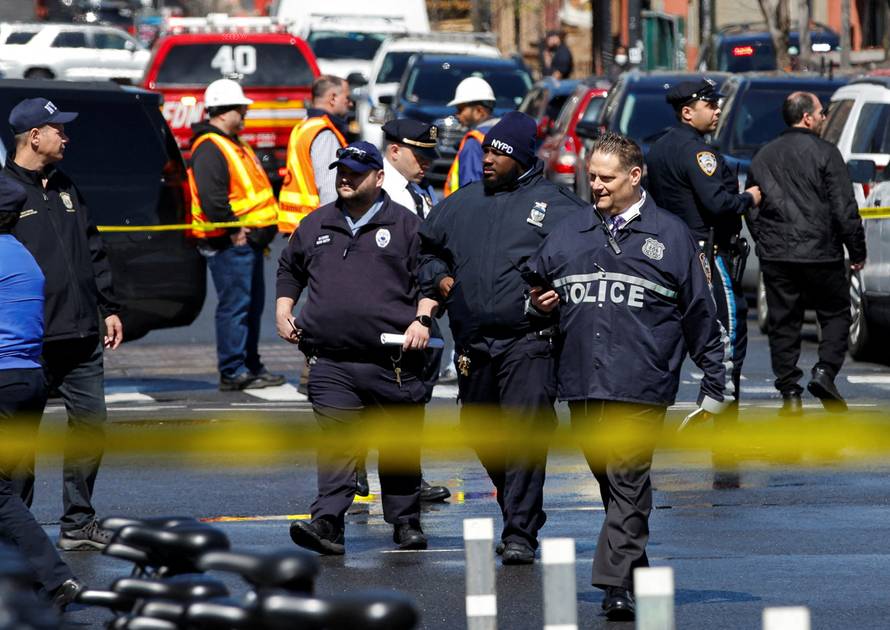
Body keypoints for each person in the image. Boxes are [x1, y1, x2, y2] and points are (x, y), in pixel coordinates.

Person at [527, 132, 730, 620]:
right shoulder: (569, 232)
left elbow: (700, 312)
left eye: (605, 178)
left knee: (628, 478)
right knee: (613, 480)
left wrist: (715, 380)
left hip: (642, 383)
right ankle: (634, 566)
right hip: (581, 383)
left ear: (635, 177)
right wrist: (538, 305)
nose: (594, 185)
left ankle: (613, 583)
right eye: (591, 176)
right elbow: (533, 292)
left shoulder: (672, 235)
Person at [418, 112, 587, 564]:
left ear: (522, 158)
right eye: (487, 150)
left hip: (529, 340)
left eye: (499, 153)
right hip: (474, 343)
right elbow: (426, 250)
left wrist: (559, 295)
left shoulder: (559, 206)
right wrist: (442, 281)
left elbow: (585, 260)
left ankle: (520, 532)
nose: (487, 159)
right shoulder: (462, 202)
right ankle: (520, 505)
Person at [276, 141, 438, 554]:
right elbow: (289, 268)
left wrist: (422, 317)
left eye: (355, 172)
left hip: (394, 361)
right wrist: (283, 309)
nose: (345, 178)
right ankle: (327, 523)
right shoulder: (316, 225)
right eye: (341, 171)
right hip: (331, 361)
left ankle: (405, 521)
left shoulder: (405, 226)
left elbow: (433, 277)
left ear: (379, 178)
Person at [2, 97, 123, 550]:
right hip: (30, 341)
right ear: (35, 136)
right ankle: (16, 531)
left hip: (81, 333)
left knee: (92, 425)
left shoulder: (67, 186)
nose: (66, 136)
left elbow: (92, 251)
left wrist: (108, 307)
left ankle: (78, 522)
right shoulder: (5, 192)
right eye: (58, 129)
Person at [645, 78, 761, 489]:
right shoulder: (698, 151)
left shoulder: (658, 147)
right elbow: (718, 204)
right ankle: (723, 441)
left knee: (667, 346)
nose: (716, 110)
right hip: (706, 256)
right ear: (687, 111)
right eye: (709, 104)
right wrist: (749, 198)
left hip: (667, 254)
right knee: (726, 339)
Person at [747, 92, 866, 414]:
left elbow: (752, 205)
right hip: (821, 252)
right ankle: (825, 372)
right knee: (836, 314)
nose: (825, 117)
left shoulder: (764, 155)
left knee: (783, 323)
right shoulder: (827, 153)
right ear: (808, 118)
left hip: (778, 254)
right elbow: (844, 208)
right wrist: (856, 250)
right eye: (822, 112)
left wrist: (766, 240)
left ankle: (790, 392)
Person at [0, 176, 83, 609]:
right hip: (27, 380)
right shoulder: (21, 254)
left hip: (3, 380)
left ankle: (54, 579)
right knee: (7, 494)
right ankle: (20, 584)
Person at [188, 79, 285, 392]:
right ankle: (233, 370)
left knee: (250, 307)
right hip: (230, 244)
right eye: (241, 108)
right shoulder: (210, 147)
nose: (245, 113)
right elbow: (212, 198)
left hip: (247, 243)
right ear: (223, 111)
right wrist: (235, 230)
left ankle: (249, 364)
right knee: (235, 308)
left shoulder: (233, 143)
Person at [379, 118, 451, 503]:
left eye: (429, 154)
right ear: (394, 151)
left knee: (413, 396)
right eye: (418, 154)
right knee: (394, 396)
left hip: (420, 307)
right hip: (395, 310)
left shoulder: (416, 192)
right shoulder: (380, 191)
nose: (427, 162)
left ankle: (409, 476)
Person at [278, 75, 351, 234]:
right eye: (347, 97)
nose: (350, 103)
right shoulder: (323, 132)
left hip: (300, 222)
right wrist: (334, 229)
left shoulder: (303, 126)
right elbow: (329, 189)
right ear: (333, 98)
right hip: (317, 226)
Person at [443, 77, 498, 197]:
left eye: (461, 109)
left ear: (479, 111)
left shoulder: (473, 143)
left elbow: (470, 189)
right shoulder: (502, 134)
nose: (457, 115)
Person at [381, 118, 439, 219]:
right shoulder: (379, 190)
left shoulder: (418, 185)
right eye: (420, 158)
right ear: (395, 151)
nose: (427, 165)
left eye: (429, 159)